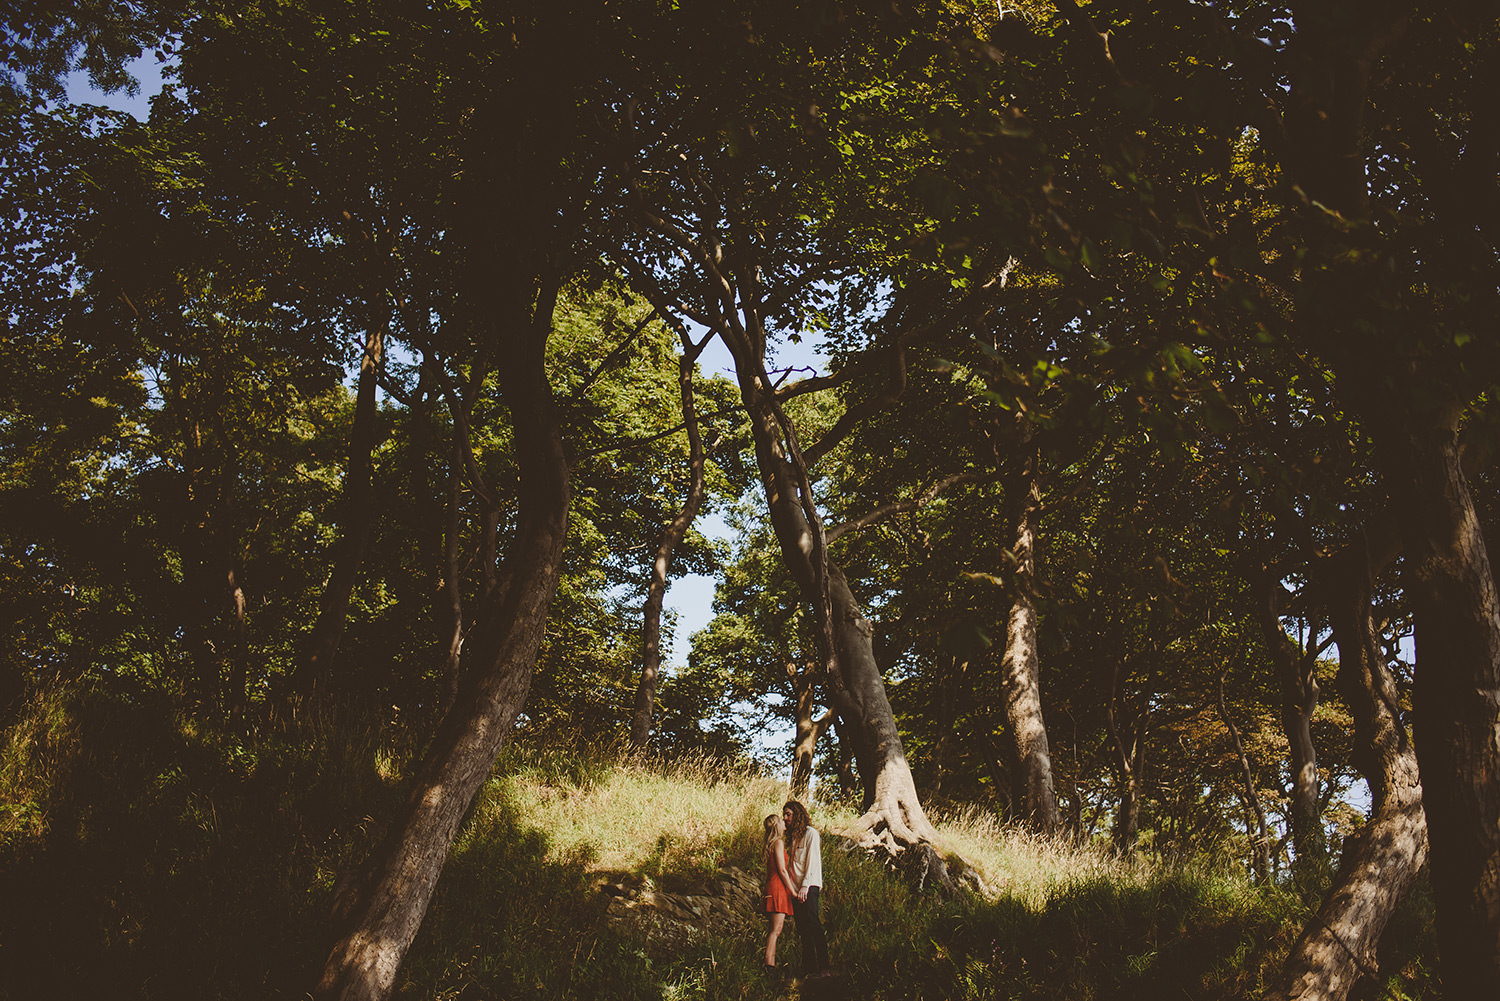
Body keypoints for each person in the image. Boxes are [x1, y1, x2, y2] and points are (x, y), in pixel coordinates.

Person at [782, 799, 831, 978]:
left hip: (809, 886)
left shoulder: (811, 834)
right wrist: (791, 890)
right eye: (784, 815)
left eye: (788, 814)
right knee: (802, 928)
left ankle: (824, 967)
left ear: (797, 815)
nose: (785, 818)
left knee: (814, 924)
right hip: (794, 889)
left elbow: (812, 862)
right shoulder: (791, 837)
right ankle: (809, 968)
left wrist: (805, 886)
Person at [761, 813, 798, 974]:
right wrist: (792, 890)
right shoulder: (778, 843)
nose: (785, 822)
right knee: (776, 929)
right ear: (777, 825)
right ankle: (769, 965)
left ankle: (771, 963)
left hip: (774, 886)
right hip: (777, 888)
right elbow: (782, 870)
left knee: (775, 928)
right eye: (782, 821)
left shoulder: (773, 843)